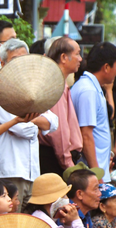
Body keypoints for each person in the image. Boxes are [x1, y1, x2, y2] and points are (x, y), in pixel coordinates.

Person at [0, 47, 58, 211]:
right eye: (15, 59)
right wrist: (37, 125)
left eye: (24, 59)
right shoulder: (0, 93)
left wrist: (29, 120)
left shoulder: (32, 92)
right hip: (10, 171)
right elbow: (22, 130)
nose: (20, 64)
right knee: (12, 227)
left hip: (32, 172)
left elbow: (53, 122)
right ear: (3, 63)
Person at [71, 42, 116, 182]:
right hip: (91, 173)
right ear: (106, 67)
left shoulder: (92, 87)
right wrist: (96, 174)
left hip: (97, 168)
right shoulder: (88, 90)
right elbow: (86, 135)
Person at [39, 37, 84, 175]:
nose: (80, 59)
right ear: (64, 57)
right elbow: (59, 131)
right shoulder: (56, 84)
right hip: (56, 159)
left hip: (56, 156)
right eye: (77, 54)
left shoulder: (58, 82)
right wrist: (68, 163)